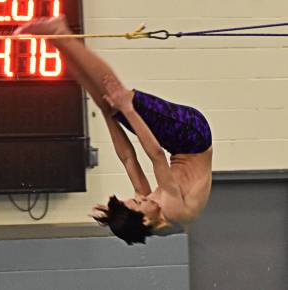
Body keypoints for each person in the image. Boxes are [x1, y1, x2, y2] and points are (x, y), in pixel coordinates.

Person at [14, 16, 213, 245]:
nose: (141, 198)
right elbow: (156, 155)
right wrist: (127, 110)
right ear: (147, 221)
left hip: (177, 144)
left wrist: (107, 114)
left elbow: (128, 158)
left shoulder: (148, 213)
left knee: (109, 104)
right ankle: (61, 31)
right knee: (124, 98)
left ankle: (58, 43)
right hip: (194, 135)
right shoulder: (175, 213)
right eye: (138, 202)